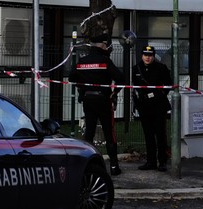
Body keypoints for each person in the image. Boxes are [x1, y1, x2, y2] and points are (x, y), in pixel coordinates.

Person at [68, 33, 125, 176]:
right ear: (103, 45)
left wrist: (82, 90)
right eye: (106, 45)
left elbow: (71, 78)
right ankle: (113, 166)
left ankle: (87, 165)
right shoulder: (105, 61)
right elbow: (120, 78)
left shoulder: (82, 61)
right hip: (103, 100)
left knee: (89, 133)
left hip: (88, 100)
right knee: (109, 132)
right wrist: (114, 92)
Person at [132, 45, 172, 172]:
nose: (147, 58)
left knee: (160, 134)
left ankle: (163, 161)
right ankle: (151, 161)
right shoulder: (136, 68)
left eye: (150, 56)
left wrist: (158, 95)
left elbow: (168, 84)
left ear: (153, 56)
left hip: (158, 106)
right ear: (142, 56)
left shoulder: (161, 68)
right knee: (148, 135)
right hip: (144, 107)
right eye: (145, 55)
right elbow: (134, 86)